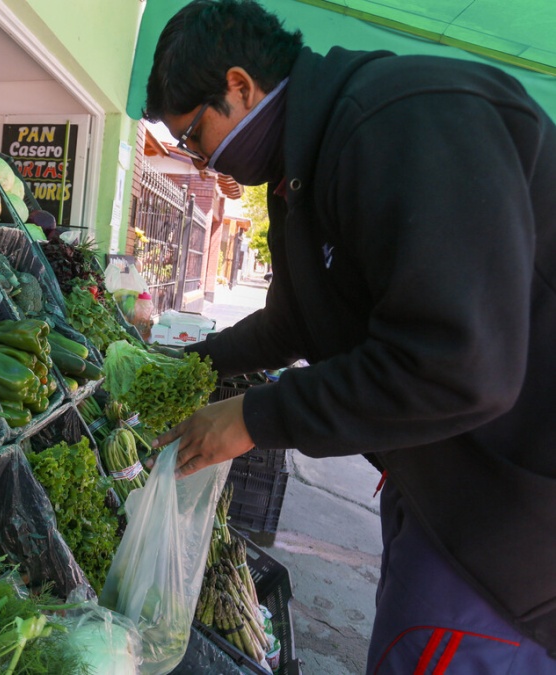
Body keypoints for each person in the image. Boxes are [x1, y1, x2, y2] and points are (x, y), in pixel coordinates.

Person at [144, 1, 556, 672]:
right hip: (438, 484)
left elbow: (458, 363)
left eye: (193, 135)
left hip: (508, 531)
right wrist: (188, 365)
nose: (198, 160)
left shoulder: (402, 120)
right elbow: (296, 320)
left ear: (240, 86)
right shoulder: (306, 163)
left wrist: (255, 416)